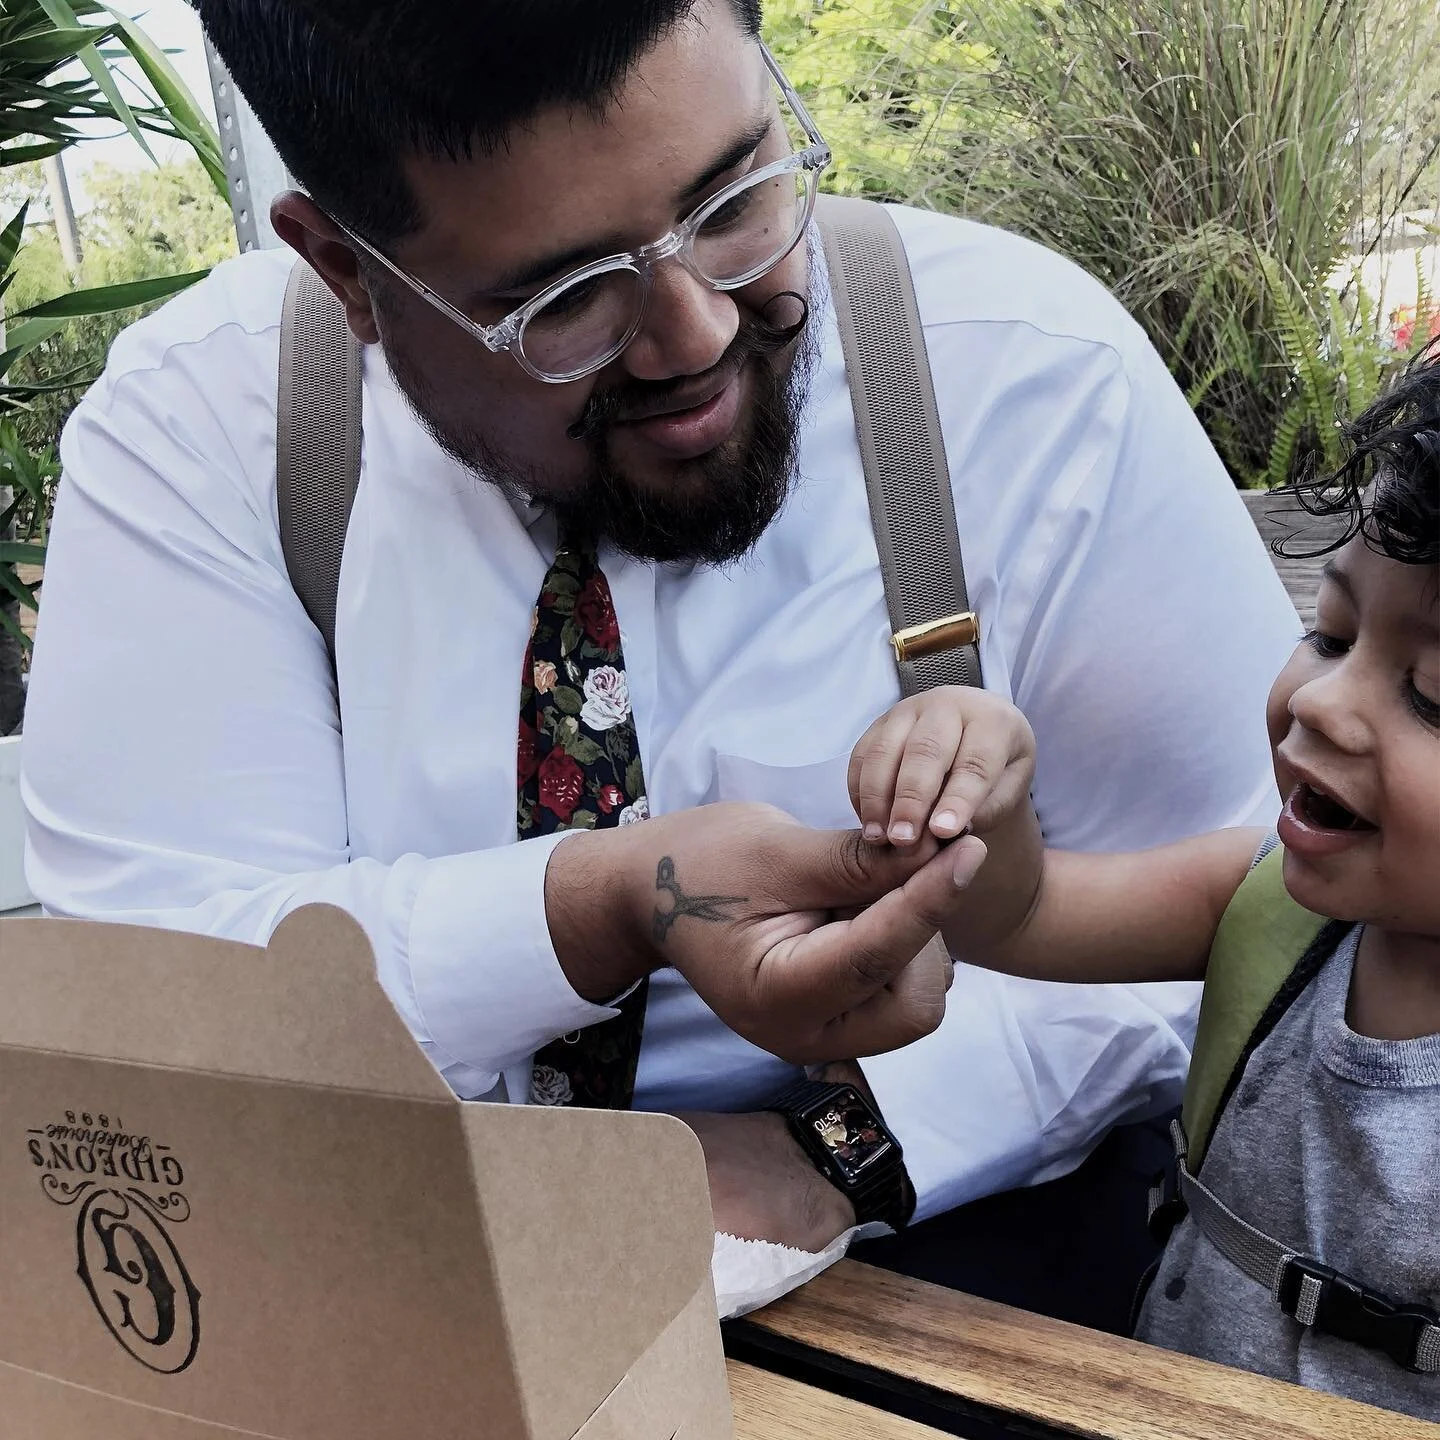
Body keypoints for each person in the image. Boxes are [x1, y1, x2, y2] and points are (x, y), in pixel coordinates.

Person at [21, 0, 1300, 1324]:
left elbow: (1288, 922)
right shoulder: (210, 432)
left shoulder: (1029, 380)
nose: (694, 335)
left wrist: (839, 1146)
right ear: (347, 272)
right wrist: (603, 902)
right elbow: (164, 1018)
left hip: (962, 1258)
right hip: (395, 1289)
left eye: (738, 196)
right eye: (563, 300)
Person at [849, 348, 1439, 1414]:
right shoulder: (1262, 907)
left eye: (1431, 695)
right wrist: (980, 791)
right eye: (1331, 632)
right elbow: (1024, 914)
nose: (1320, 704)